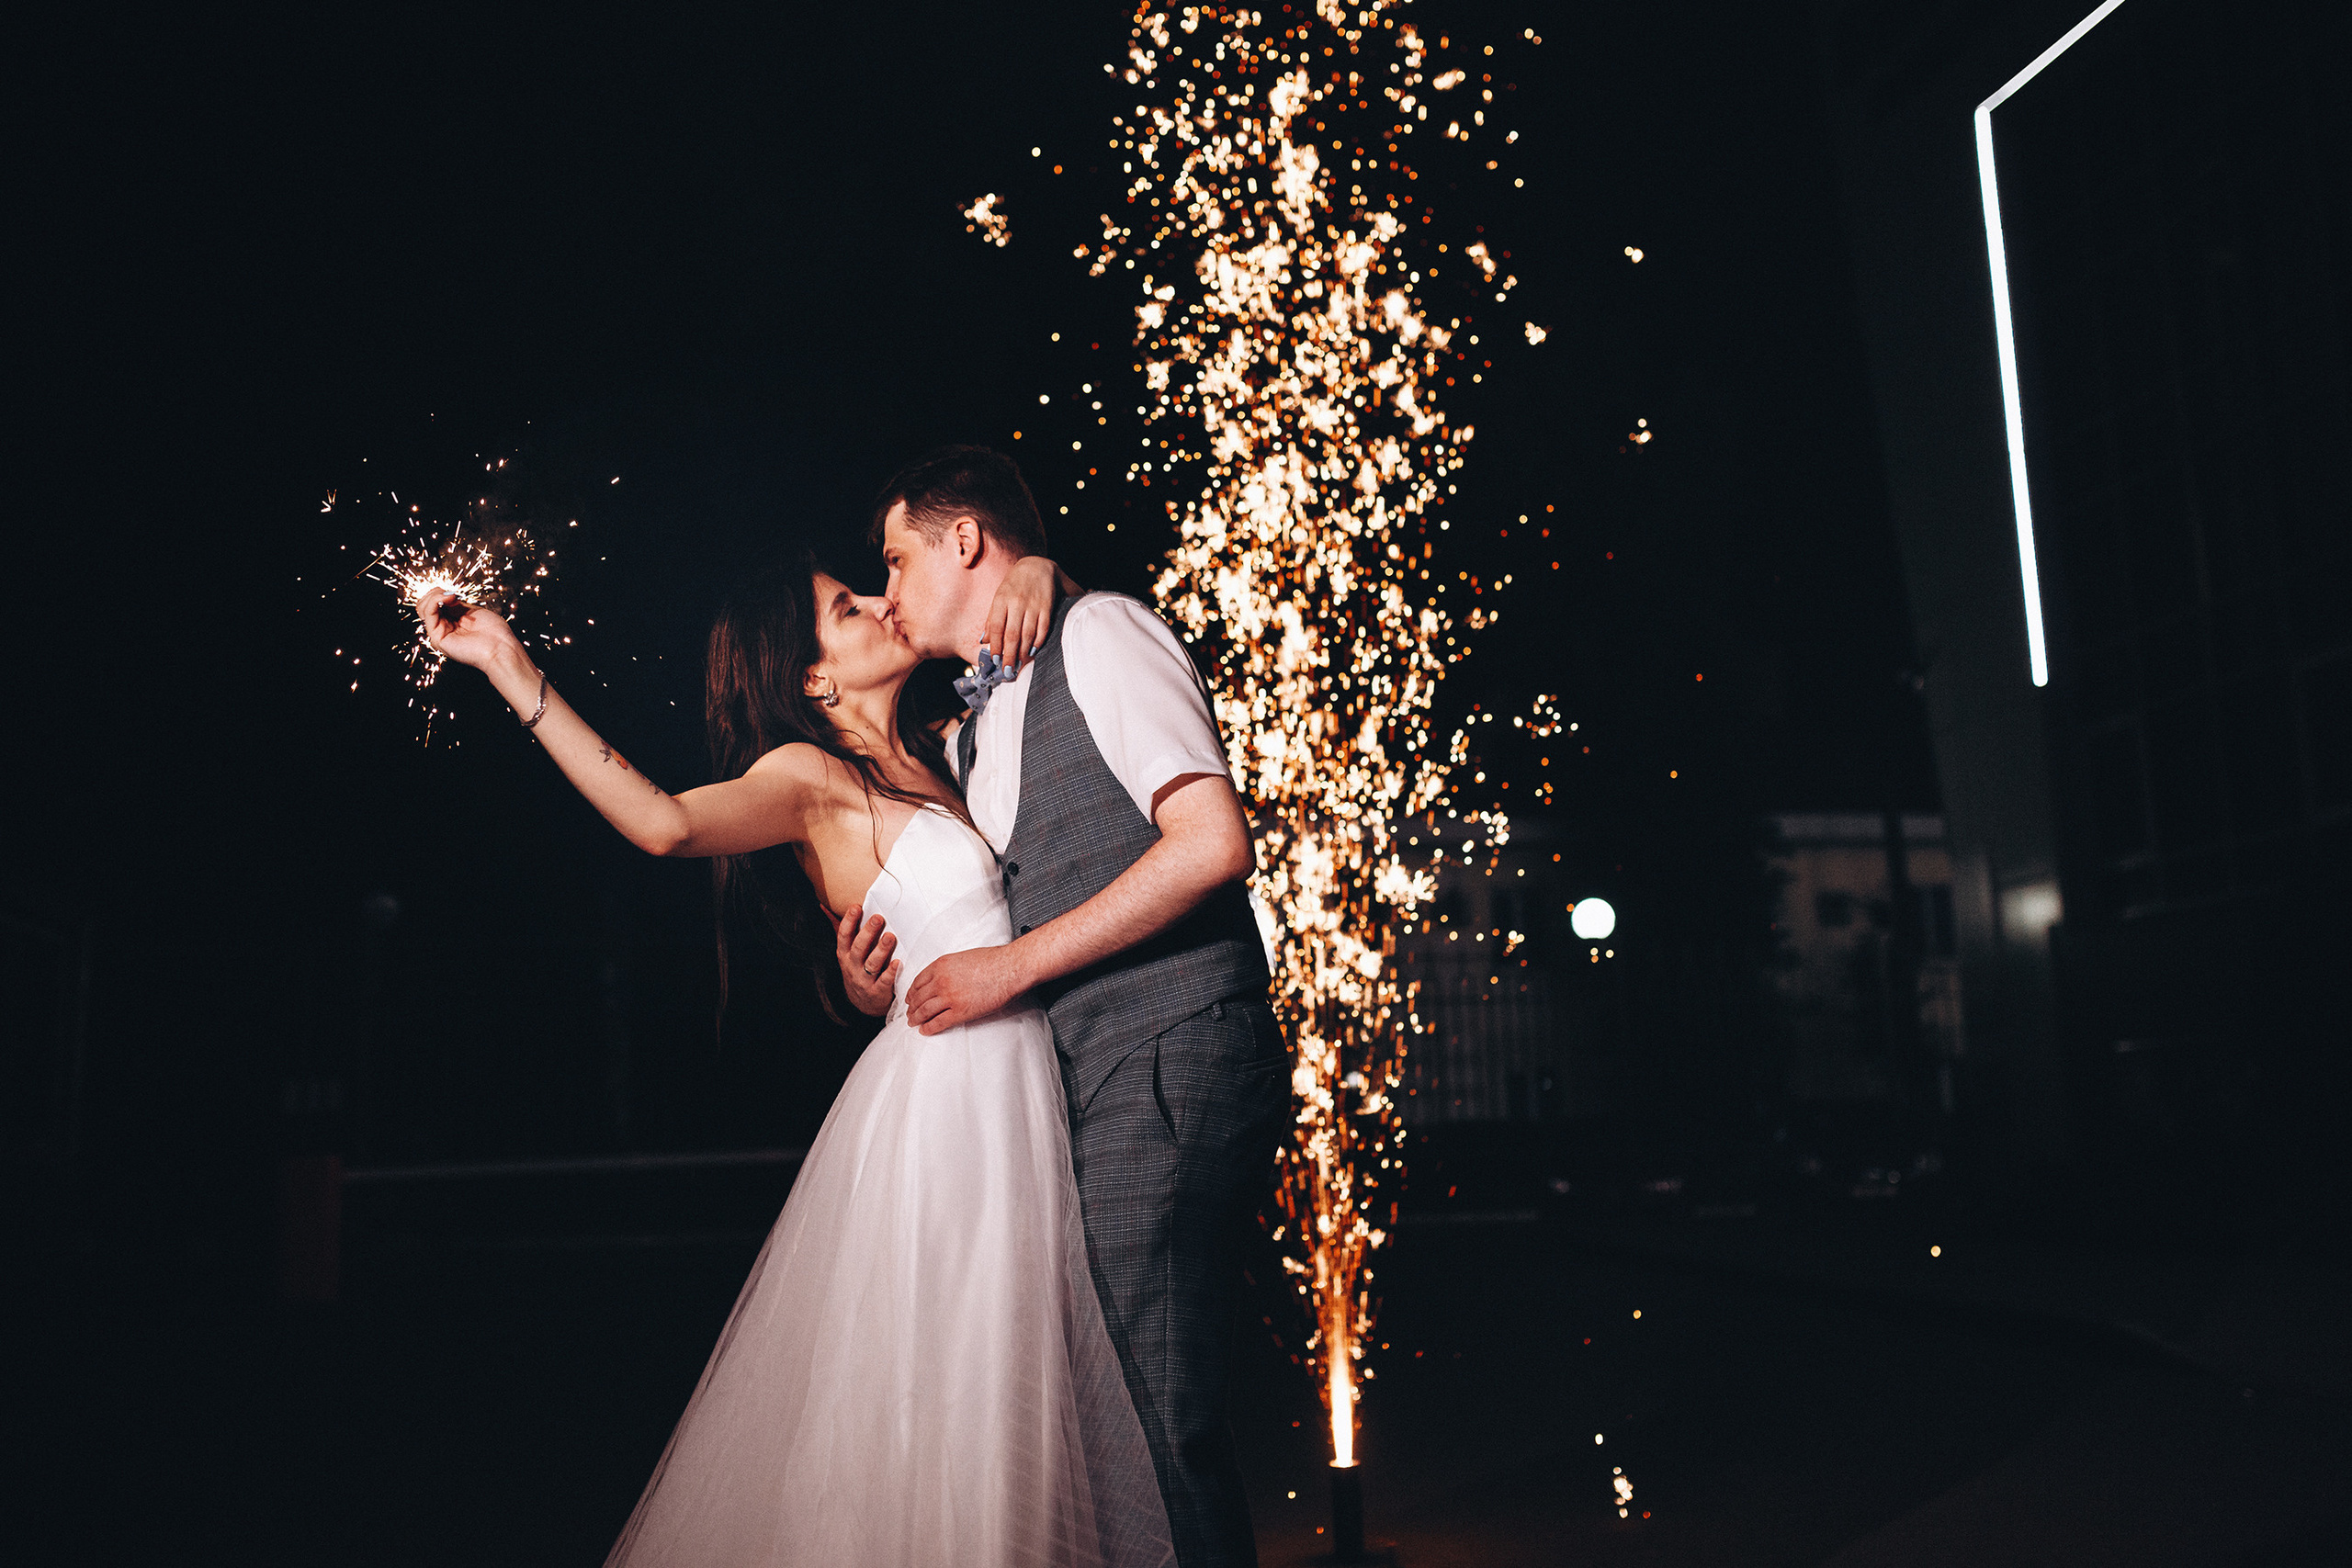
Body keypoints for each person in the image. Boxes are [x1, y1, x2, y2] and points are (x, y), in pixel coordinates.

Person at [413, 544, 1175, 1568]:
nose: (881, 603)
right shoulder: (811, 778)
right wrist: (511, 668)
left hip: (1025, 1101)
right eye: (848, 608)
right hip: (948, 1115)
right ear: (812, 679)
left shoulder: (948, 749)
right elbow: (665, 824)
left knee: (1027, 1397)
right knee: (957, 1393)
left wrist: (1038, 569)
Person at [836, 447, 1289, 1568]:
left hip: (1169, 1048)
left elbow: (1211, 845)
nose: (887, 593)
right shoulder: (972, 732)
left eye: (893, 559)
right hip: (1088, 1084)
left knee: (1155, 1409)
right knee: (1108, 1414)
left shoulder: (1104, 633)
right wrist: (873, 978)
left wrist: (1009, 969)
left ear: (964, 539)